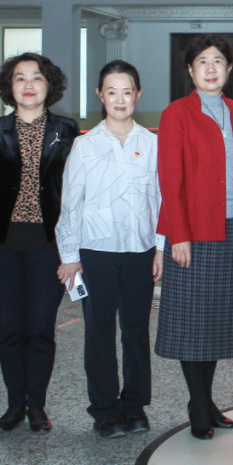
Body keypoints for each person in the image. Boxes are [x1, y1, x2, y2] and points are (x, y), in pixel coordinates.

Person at [0, 52, 78, 435]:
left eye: (37, 77)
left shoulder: (66, 130)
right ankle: (15, 404)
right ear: (9, 87)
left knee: (41, 329)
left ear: (50, 85)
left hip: (50, 245)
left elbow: (76, 192)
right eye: (20, 78)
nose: (28, 84)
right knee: (10, 330)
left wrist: (74, 251)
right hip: (3, 243)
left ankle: (37, 406)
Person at [56, 60, 166, 438]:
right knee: (99, 332)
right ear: (100, 95)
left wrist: (160, 248)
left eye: (127, 92)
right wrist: (70, 257)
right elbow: (70, 204)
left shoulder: (152, 144)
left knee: (136, 331)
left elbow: (162, 200)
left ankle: (134, 406)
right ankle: (104, 409)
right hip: (95, 252)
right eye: (112, 92)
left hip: (140, 250)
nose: (120, 99)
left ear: (138, 95)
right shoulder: (85, 145)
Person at [156, 35, 233, 439]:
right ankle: (197, 403)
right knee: (191, 320)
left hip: (231, 228)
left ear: (229, 69)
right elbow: (170, 179)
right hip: (193, 230)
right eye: (202, 62)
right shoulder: (176, 114)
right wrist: (178, 234)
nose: (211, 69)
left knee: (215, 320)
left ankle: (207, 400)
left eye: (218, 61)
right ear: (190, 70)